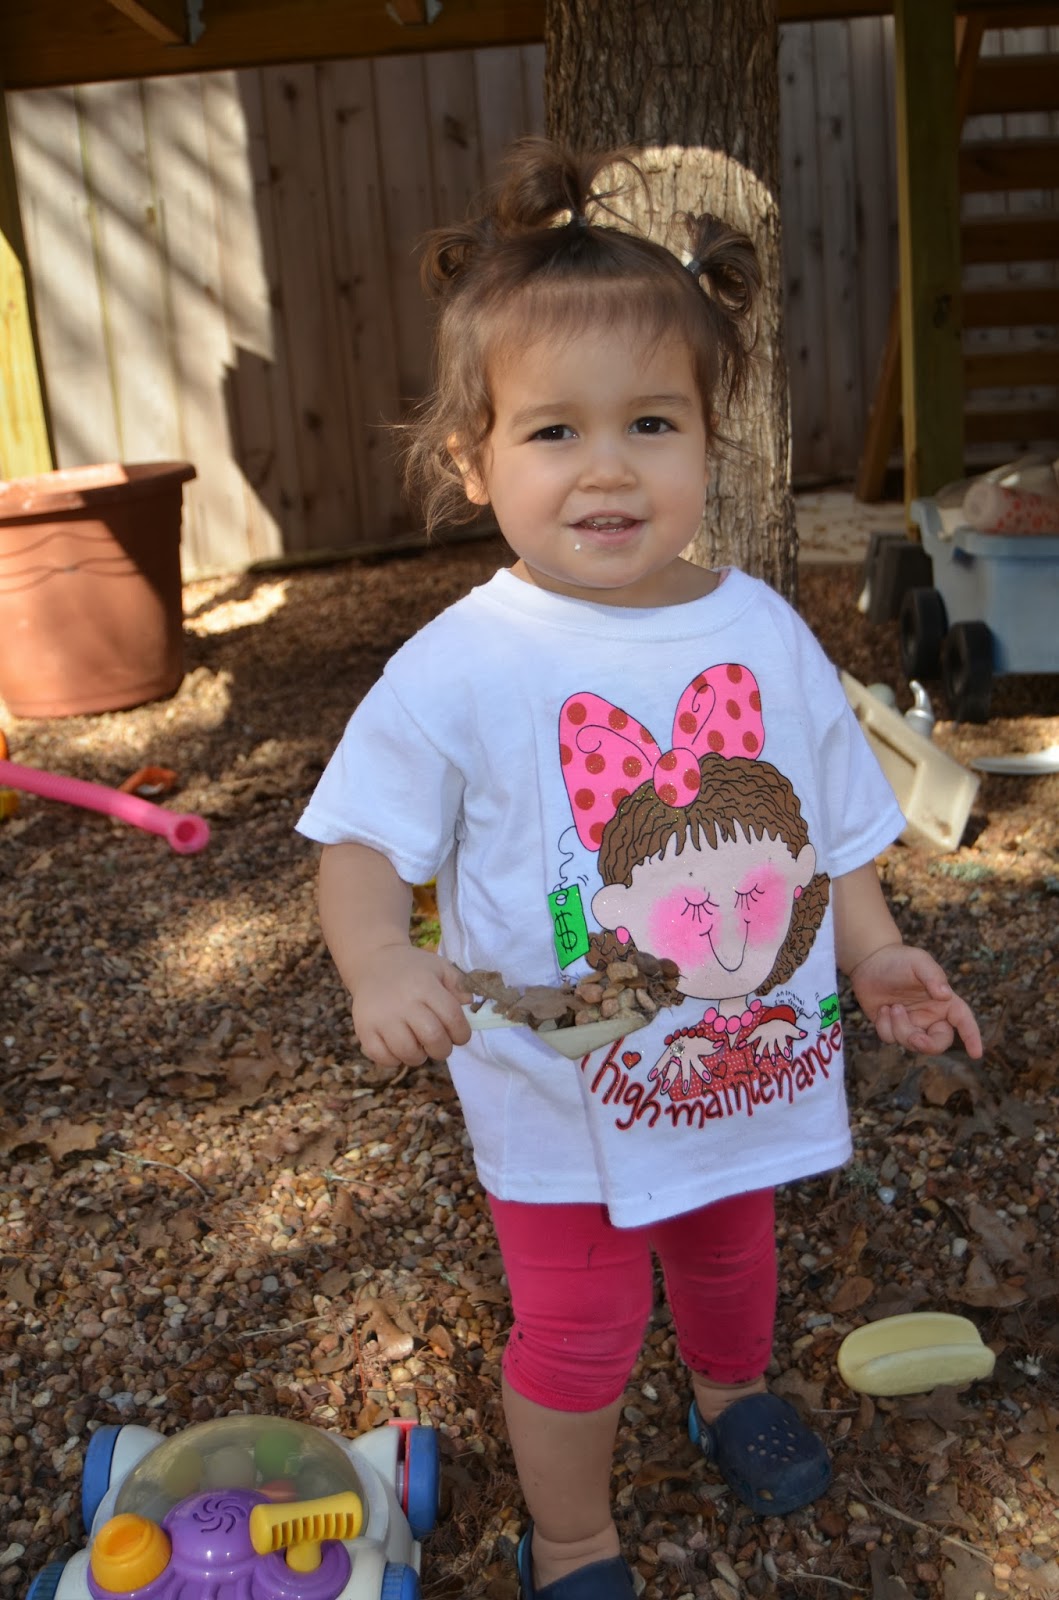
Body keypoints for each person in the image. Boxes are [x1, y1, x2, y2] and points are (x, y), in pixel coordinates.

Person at [297, 138, 982, 1600]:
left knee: (735, 1263)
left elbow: (827, 832)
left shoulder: (763, 631)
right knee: (581, 1331)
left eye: (651, 422)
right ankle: (573, 1538)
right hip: (558, 1101)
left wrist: (872, 955)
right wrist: (380, 959)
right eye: (554, 431)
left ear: (710, 440)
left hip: (741, 1066)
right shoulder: (464, 663)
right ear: (474, 460)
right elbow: (359, 841)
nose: (607, 466)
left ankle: (731, 1394)